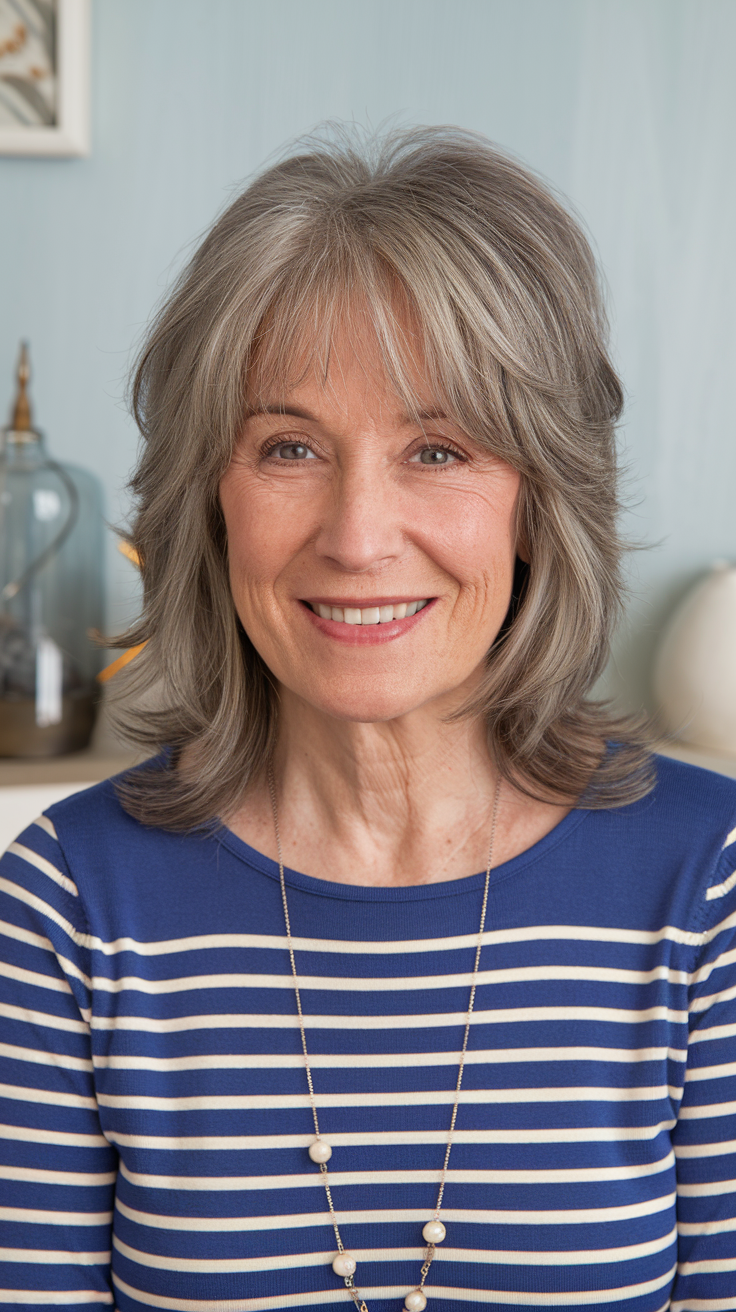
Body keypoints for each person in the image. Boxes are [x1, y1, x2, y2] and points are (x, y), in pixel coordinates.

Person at [0, 126, 734, 1312]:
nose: (355, 535)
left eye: (437, 449)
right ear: (210, 500)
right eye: (288, 446)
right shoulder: (70, 908)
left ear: (538, 503)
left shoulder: (709, 884)